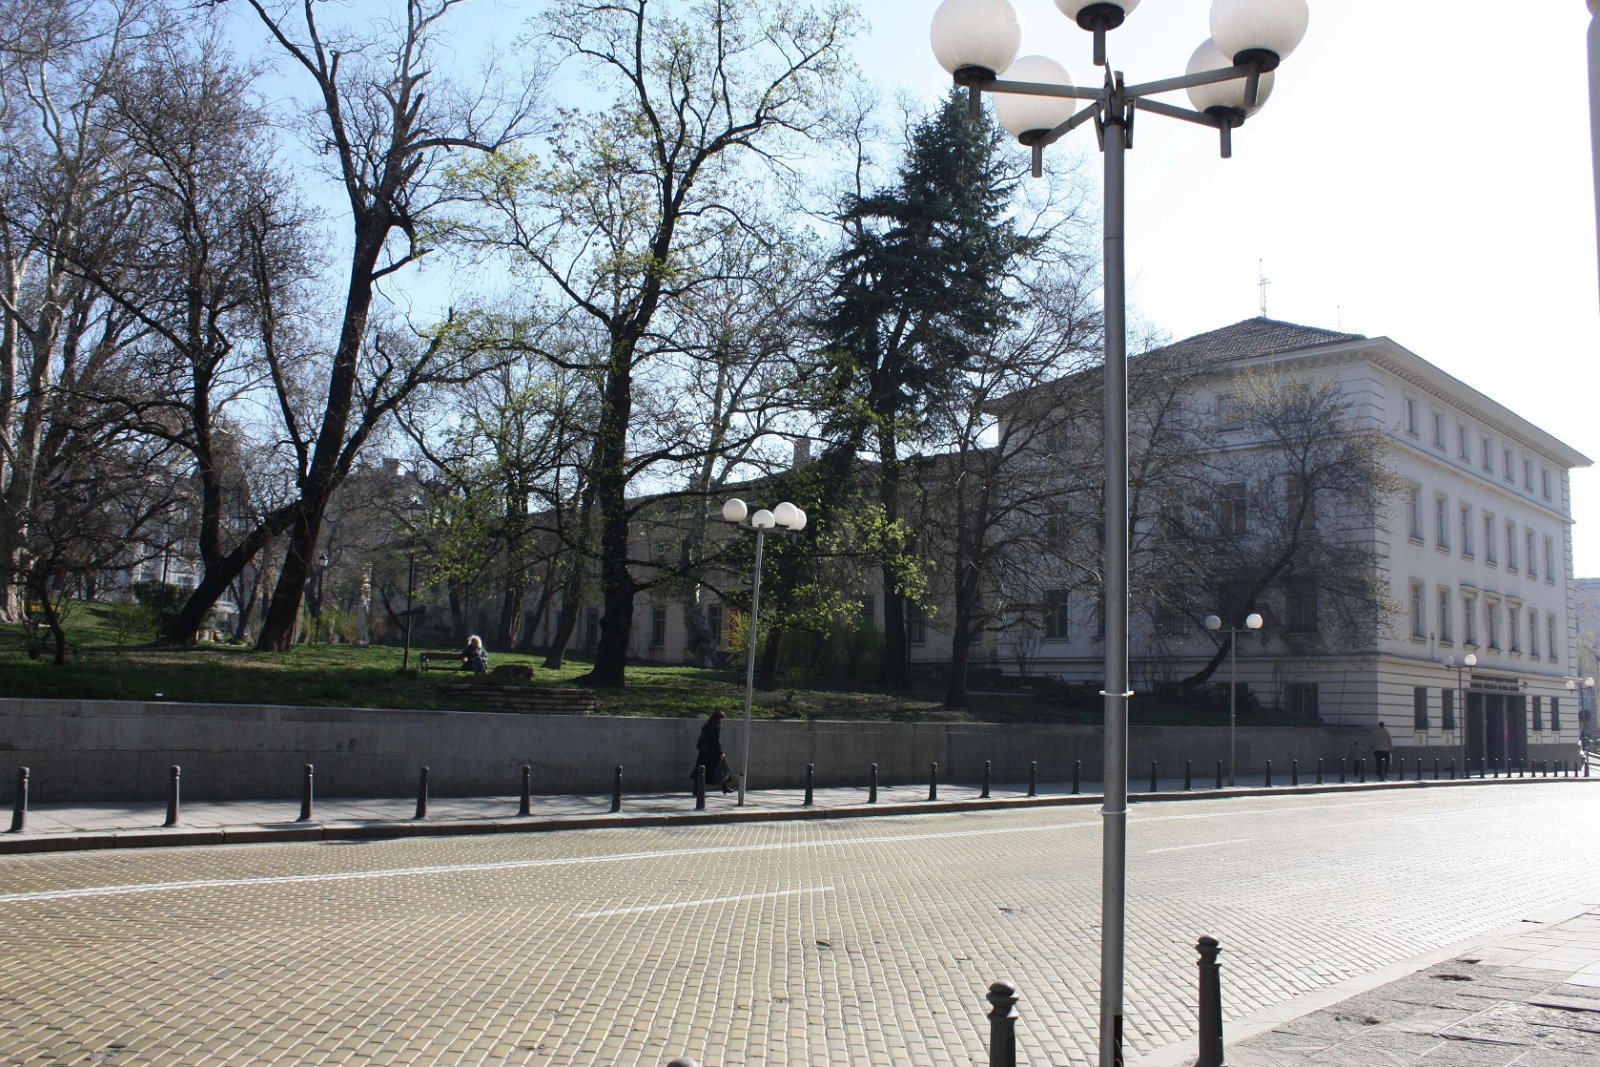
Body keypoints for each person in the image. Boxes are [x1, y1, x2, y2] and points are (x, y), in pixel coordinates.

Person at [692, 709, 732, 795]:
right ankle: (725, 787)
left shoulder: (706, 725)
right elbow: (715, 741)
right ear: (718, 718)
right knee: (722, 768)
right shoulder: (716, 727)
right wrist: (720, 753)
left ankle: (696, 789)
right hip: (713, 752)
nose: (722, 720)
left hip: (704, 751)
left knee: (701, 770)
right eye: (721, 718)